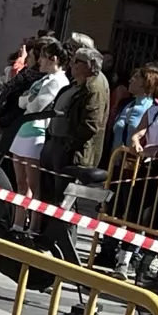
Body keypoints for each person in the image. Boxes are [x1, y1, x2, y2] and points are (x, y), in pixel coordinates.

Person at [6, 39, 67, 225]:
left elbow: (36, 106)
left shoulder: (59, 81)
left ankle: (33, 225)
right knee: (20, 182)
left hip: (37, 132)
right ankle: (18, 223)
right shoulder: (43, 79)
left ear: (53, 58)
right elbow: (21, 101)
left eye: (43, 57)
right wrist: (28, 101)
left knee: (34, 185)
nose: (39, 61)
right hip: (23, 129)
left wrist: (28, 101)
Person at [38, 46, 110, 201]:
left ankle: (61, 226)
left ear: (89, 65)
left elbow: (91, 124)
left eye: (77, 61)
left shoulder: (93, 88)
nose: (71, 63)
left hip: (70, 152)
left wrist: (69, 145)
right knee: (46, 195)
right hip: (55, 144)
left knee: (62, 198)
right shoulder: (74, 84)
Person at [107, 65, 158, 162]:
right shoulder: (125, 104)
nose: (130, 80)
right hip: (112, 163)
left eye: (136, 77)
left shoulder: (155, 109)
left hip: (136, 165)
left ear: (147, 82)